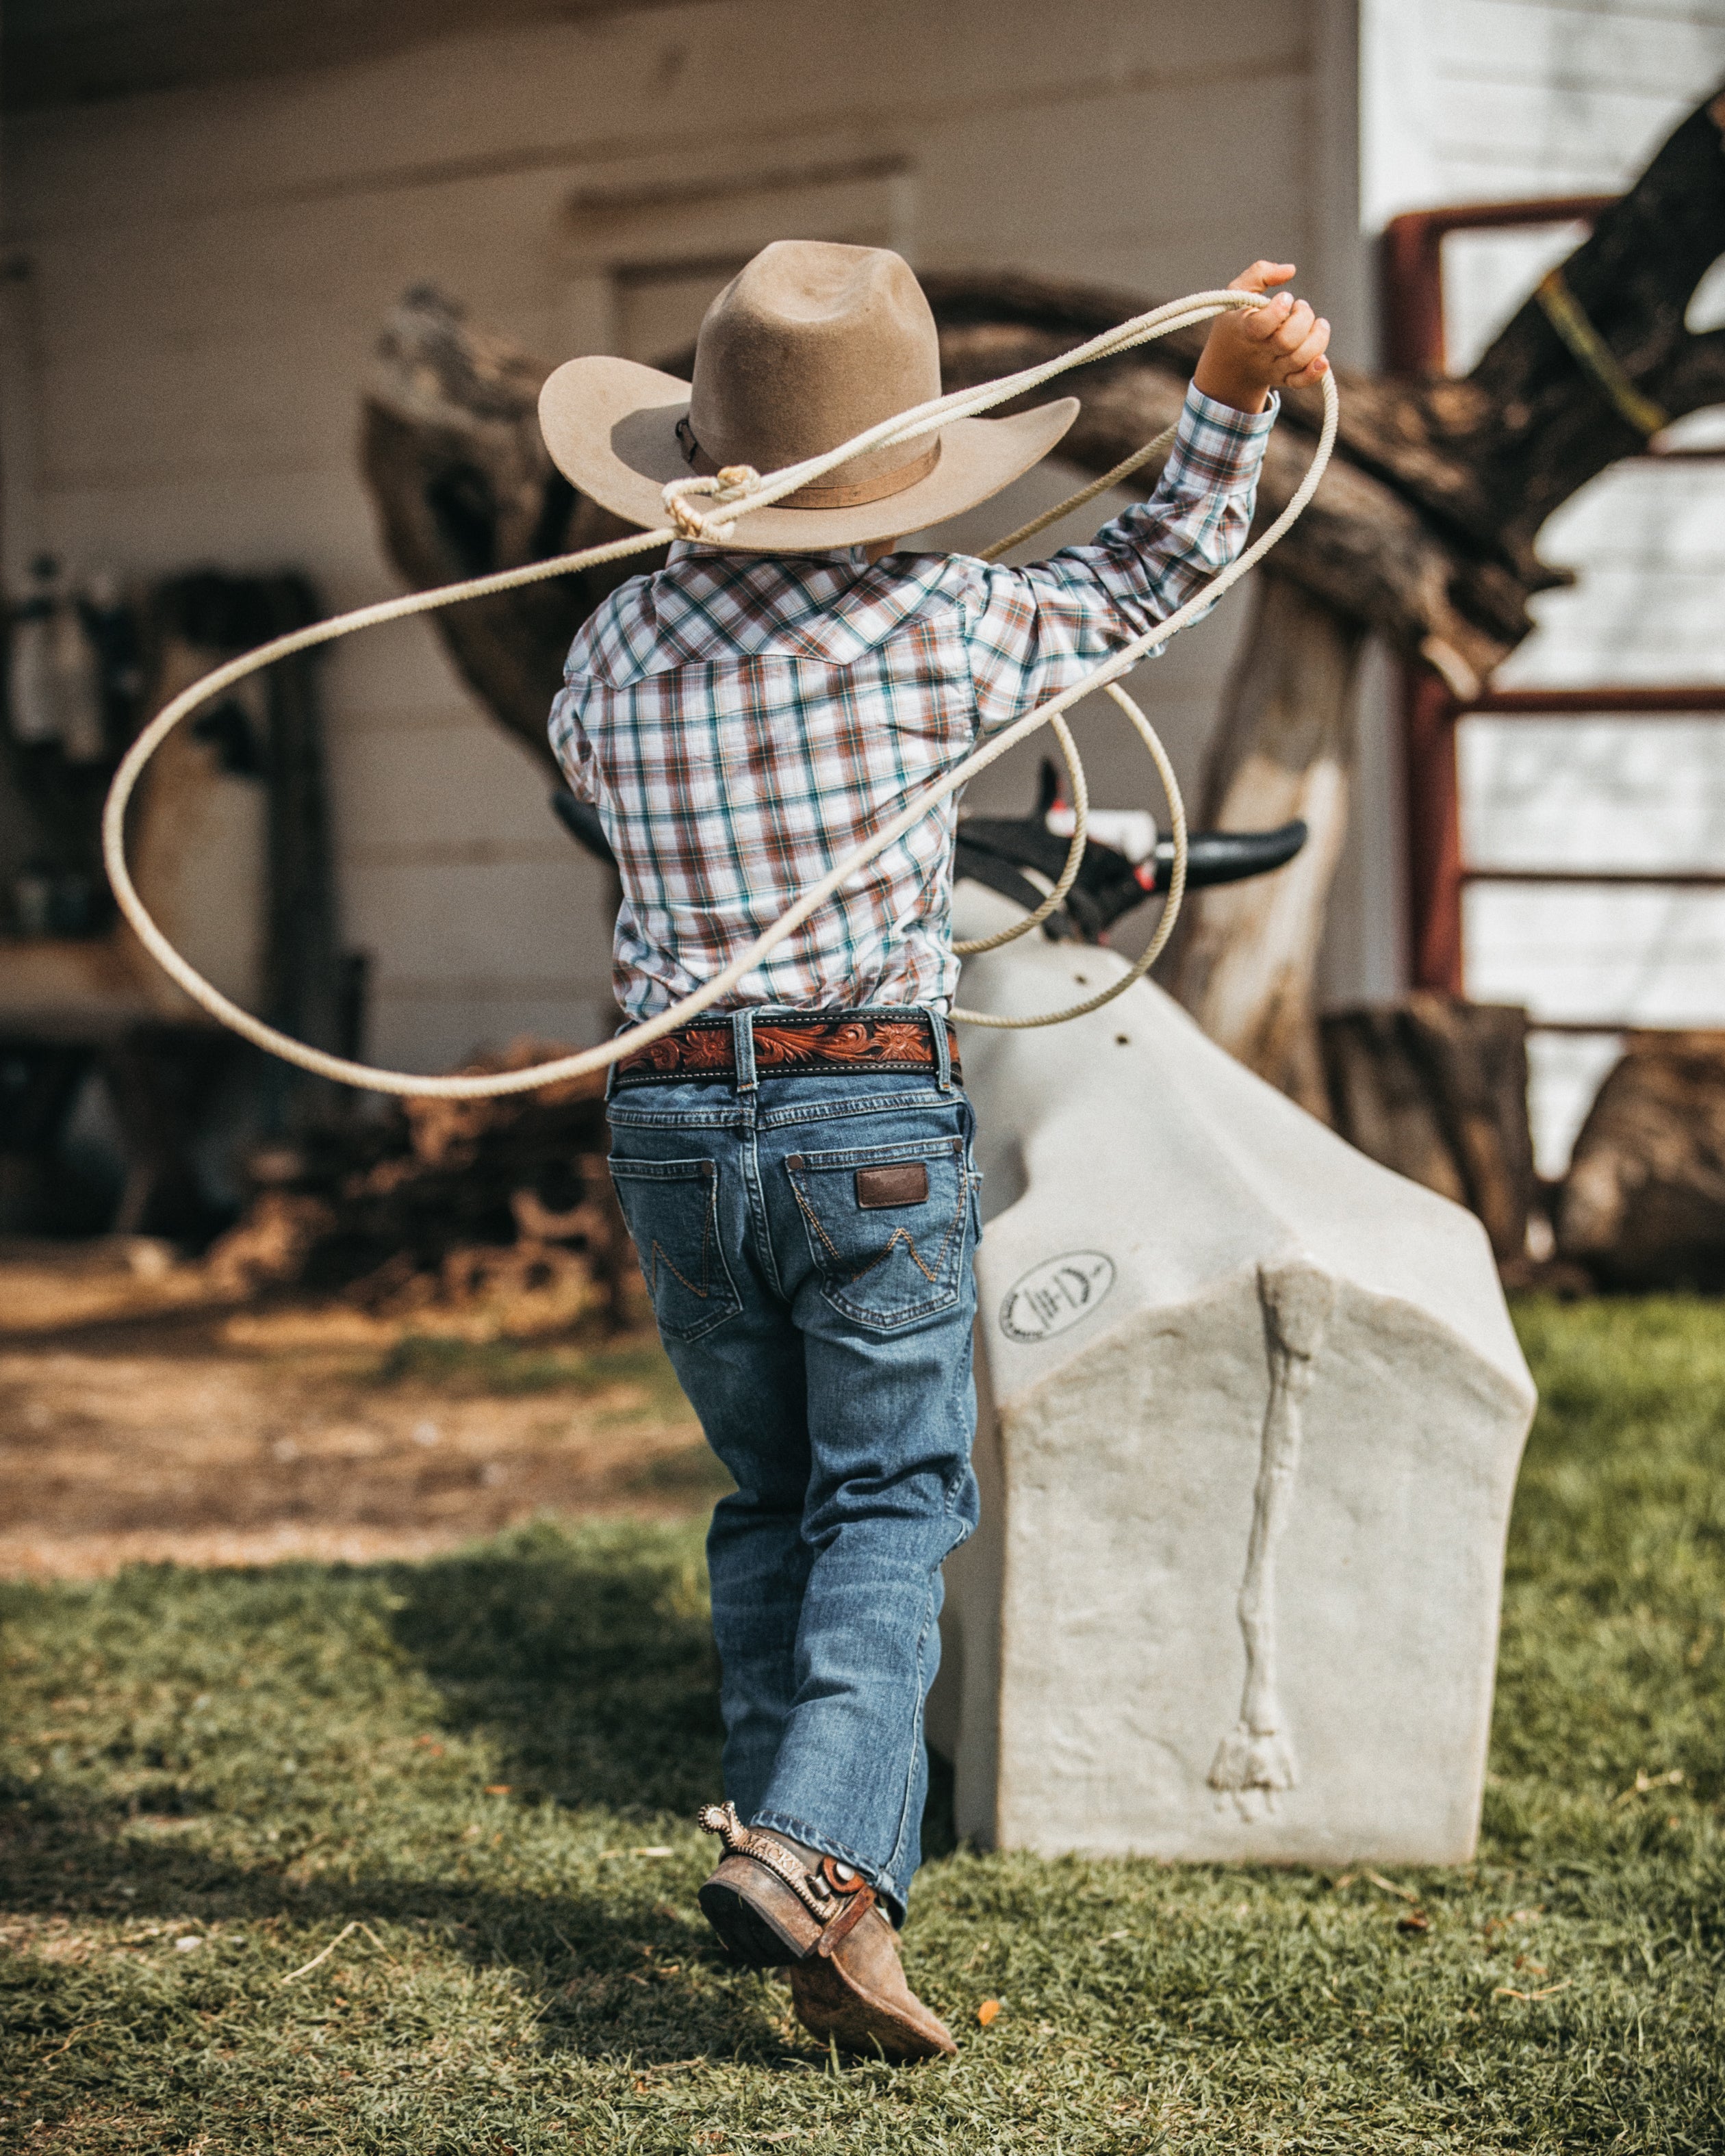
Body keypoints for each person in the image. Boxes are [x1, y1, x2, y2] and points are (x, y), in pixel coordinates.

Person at [541, 240, 1329, 2059]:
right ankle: (824, 1855)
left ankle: (818, 1900)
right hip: (865, 1110)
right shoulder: (936, 623)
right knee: (893, 1500)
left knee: (771, 1499)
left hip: (671, 1120)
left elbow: (596, 792)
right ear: (902, 467)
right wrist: (1225, 398)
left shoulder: (609, 644)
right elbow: (1152, 579)